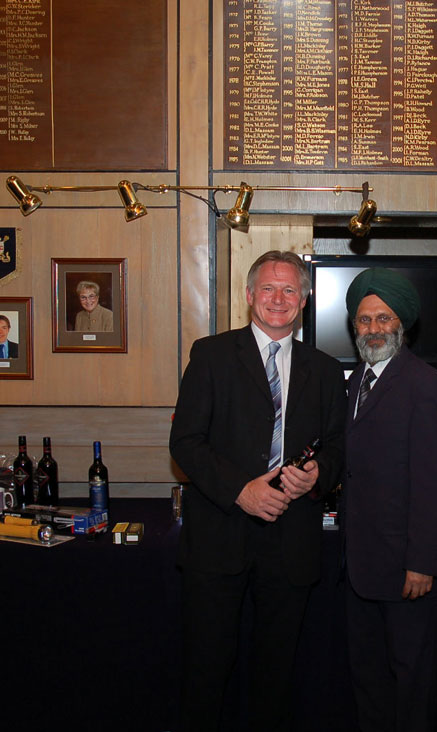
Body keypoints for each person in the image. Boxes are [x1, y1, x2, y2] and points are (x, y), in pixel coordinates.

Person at [168, 250, 346, 732]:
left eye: (290, 290)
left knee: (276, 674)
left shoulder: (326, 370)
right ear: (249, 295)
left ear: (304, 300)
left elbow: (338, 447)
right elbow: (185, 442)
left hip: (291, 542)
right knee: (206, 670)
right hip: (218, 536)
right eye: (268, 288)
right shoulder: (210, 355)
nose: (278, 299)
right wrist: (240, 491)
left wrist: (318, 474)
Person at [341, 267, 437, 732]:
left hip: (407, 571)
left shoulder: (425, 384)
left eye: (383, 318)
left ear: (401, 324)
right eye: (364, 319)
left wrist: (423, 562)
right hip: (360, 567)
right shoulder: (355, 381)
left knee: (411, 686)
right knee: (368, 681)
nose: (373, 328)